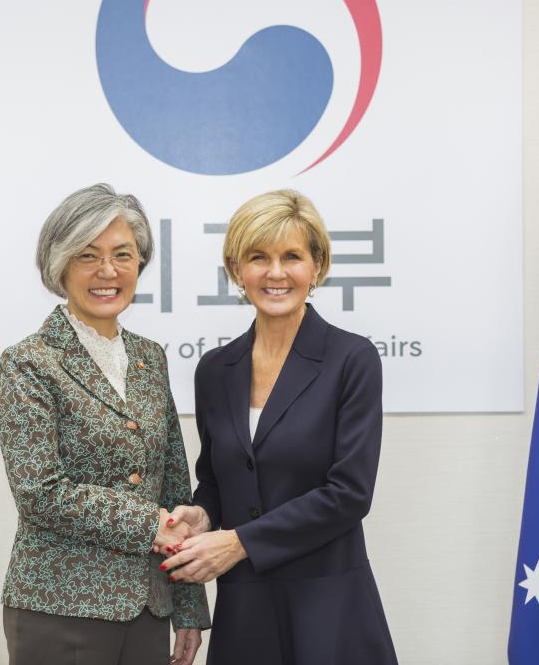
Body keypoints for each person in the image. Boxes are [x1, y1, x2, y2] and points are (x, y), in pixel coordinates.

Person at [160, 189, 398, 665]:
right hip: (244, 609)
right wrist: (202, 516)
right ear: (236, 269)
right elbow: (217, 478)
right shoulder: (215, 369)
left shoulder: (351, 359)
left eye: (292, 256)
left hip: (329, 607)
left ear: (317, 266)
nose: (275, 273)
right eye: (258, 257)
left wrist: (238, 542)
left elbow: (349, 493)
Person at [0, 184, 209, 665]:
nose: (107, 271)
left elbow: (173, 485)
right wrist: (149, 523)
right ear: (60, 265)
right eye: (88, 255)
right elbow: (40, 492)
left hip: (148, 609)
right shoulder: (28, 362)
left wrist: (188, 609)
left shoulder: (150, 359)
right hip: (60, 609)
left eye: (122, 255)